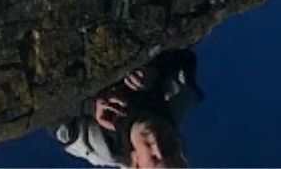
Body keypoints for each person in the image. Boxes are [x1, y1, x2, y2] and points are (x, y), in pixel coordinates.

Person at [54, 49, 201, 166]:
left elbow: (49, 113)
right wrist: (157, 69)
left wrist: (90, 105)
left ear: (136, 163)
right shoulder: (181, 95)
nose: (157, 145)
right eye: (169, 149)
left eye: (154, 159)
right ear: (179, 141)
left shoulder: (94, 144)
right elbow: (185, 50)